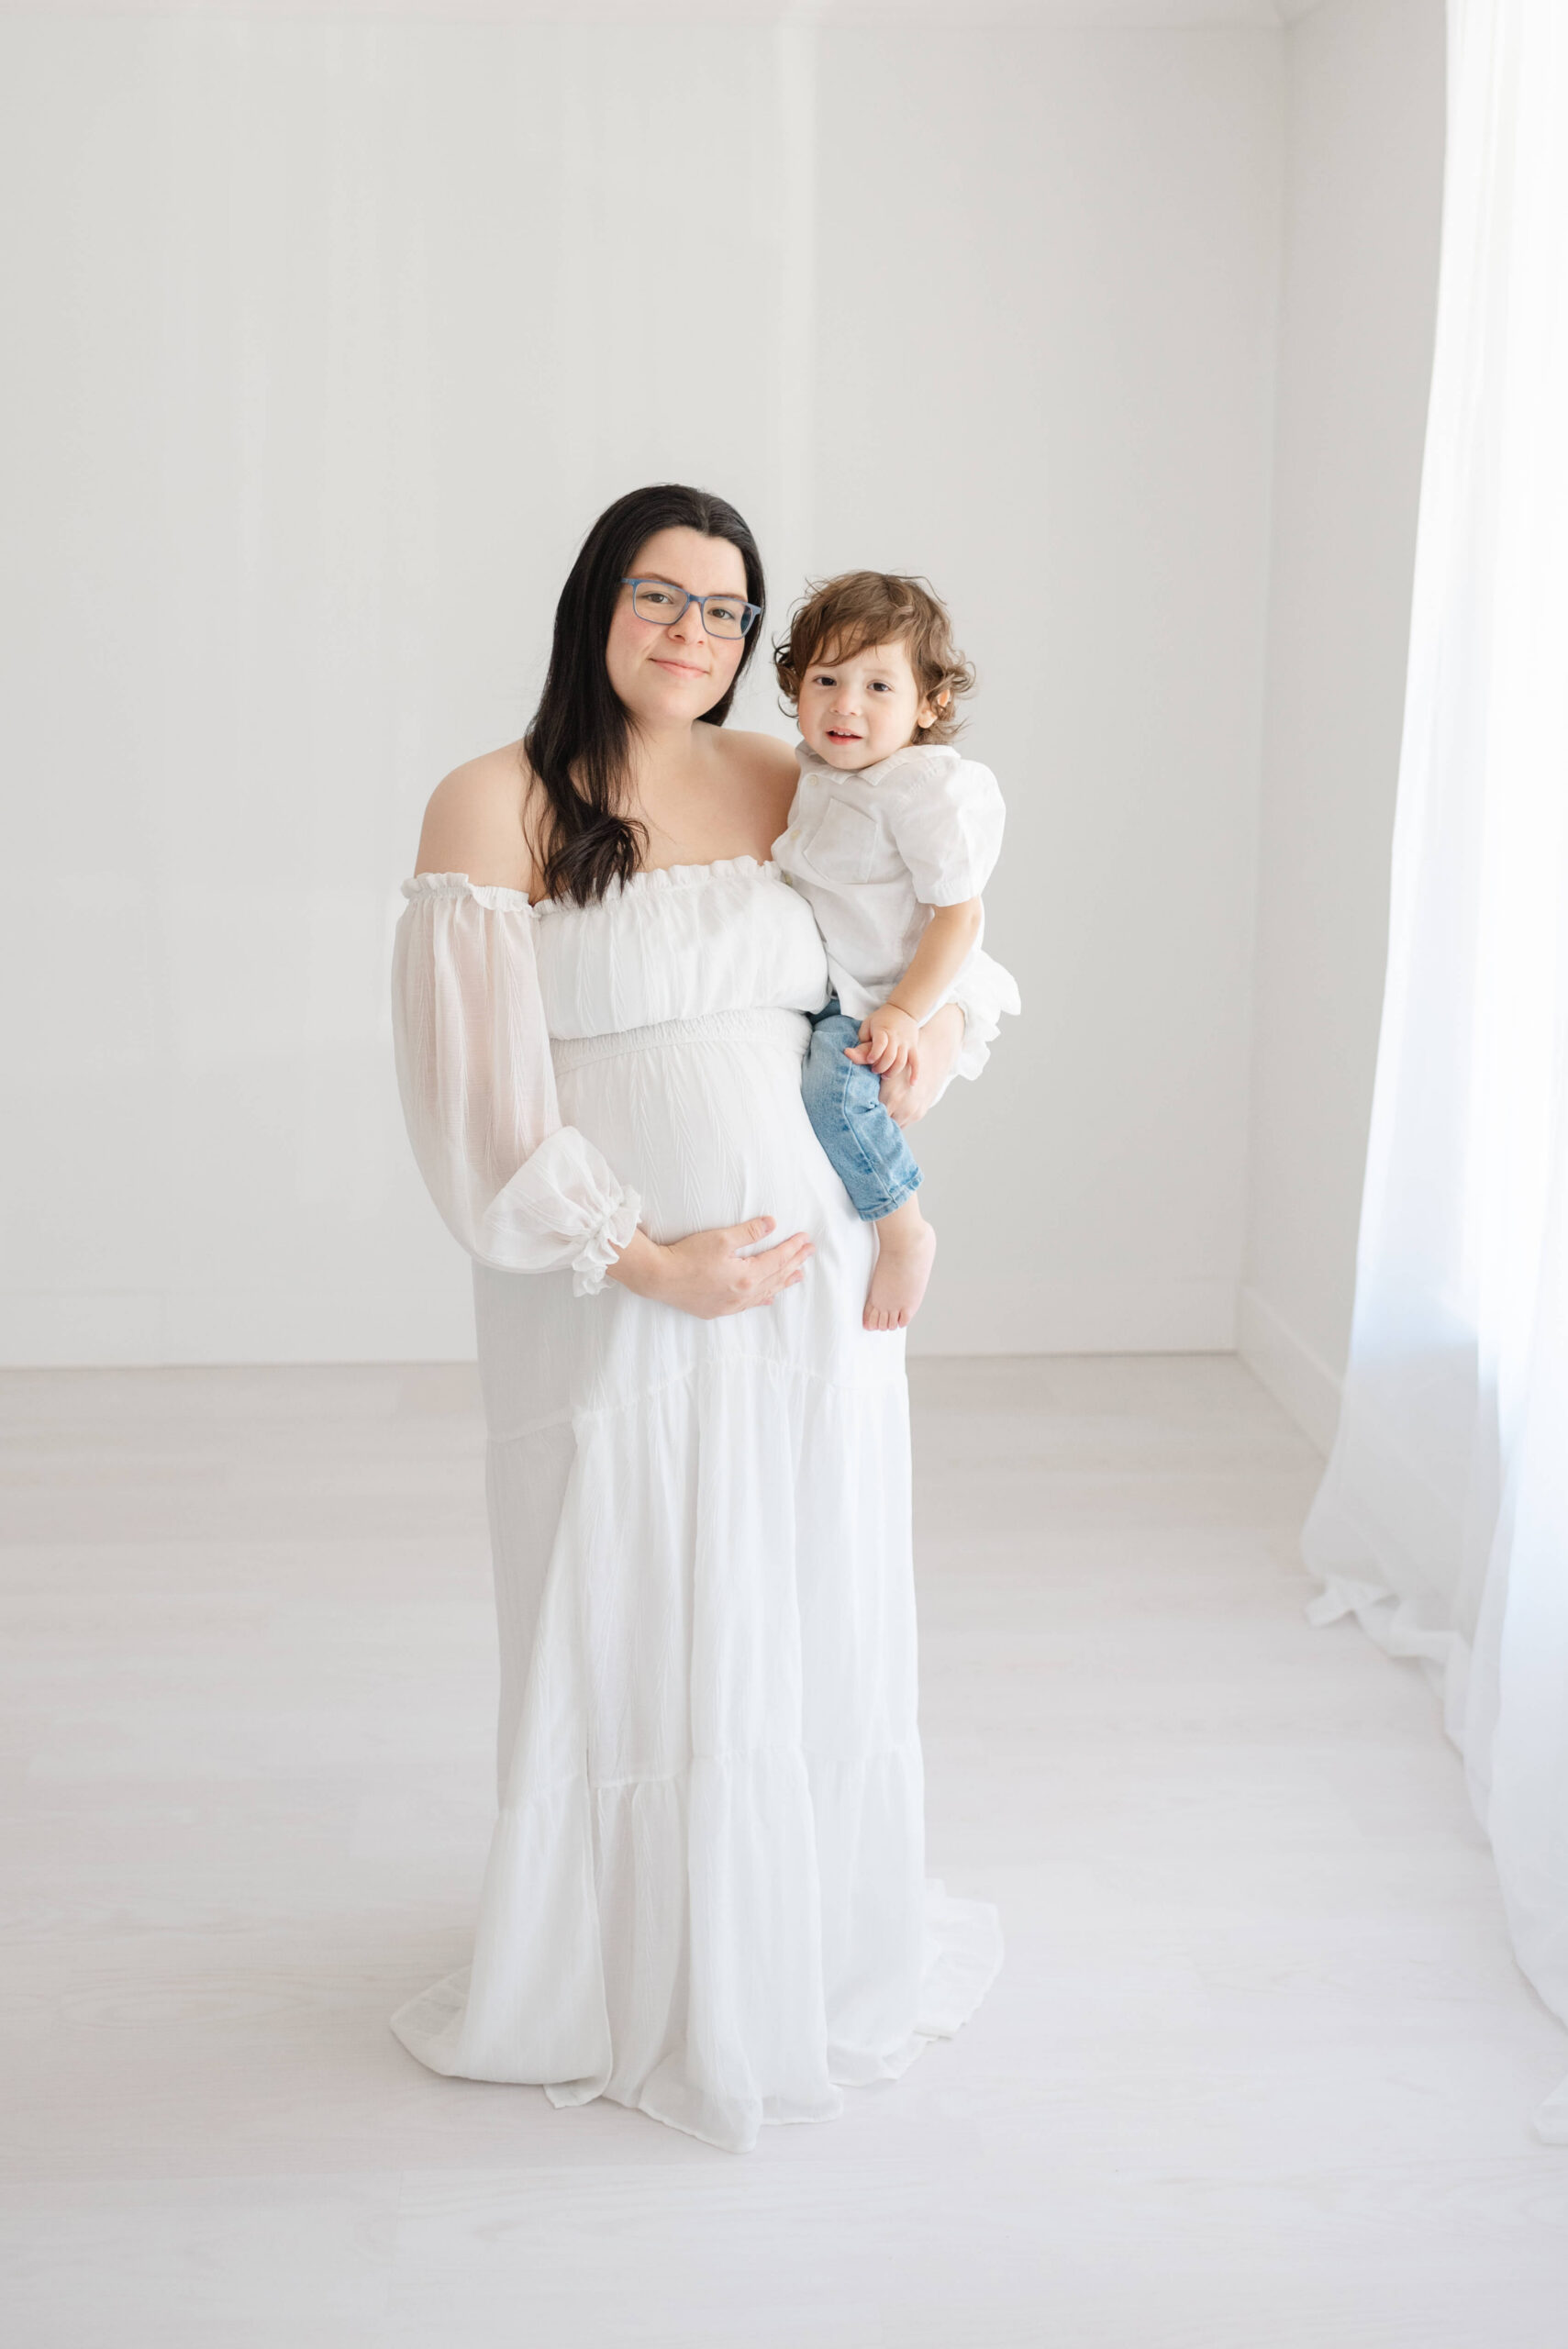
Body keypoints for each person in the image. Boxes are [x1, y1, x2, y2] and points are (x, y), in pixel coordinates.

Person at [389, 484, 1003, 2154]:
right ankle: (630, 1970)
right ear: (596, 600)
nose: (693, 633)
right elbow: (471, 1102)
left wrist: (925, 1051)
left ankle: (795, 1953)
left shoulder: (793, 778)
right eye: (660, 595)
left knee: (794, 1591)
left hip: (810, 1288)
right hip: (616, 1293)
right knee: (634, 1593)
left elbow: (927, 956)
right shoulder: (493, 801)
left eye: (726, 610)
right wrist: (644, 1257)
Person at [773, 572, 1019, 1330]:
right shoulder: (814, 770)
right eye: (826, 679)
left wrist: (910, 1013)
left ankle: (903, 1228)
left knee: (834, 1094)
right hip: (837, 981)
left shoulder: (921, 788)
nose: (845, 704)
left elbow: (959, 915)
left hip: (887, 991)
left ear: (928, 705)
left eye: (878, 686)